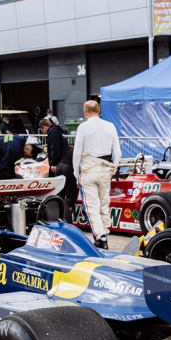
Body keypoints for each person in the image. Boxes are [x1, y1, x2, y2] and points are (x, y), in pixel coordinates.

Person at [72, 100, 121, 249]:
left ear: (85, 112)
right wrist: (114, 169)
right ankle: (104, 232)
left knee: (92, 206)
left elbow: (77, 152)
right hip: (106, 170)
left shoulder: (83, 127)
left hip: (89, 171)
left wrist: (76, 173)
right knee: (104, 204)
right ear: (99, 111)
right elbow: (117, 151)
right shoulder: (110, 126)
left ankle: (101, 238)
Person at [40, 116, 75, 205]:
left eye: (42, 130)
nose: (43, 132)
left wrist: (53, 164)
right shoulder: (60, 131)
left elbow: (54, 149)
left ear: (44, 127)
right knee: (65, 190)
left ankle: (55, 208)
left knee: (57, 190)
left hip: (59, 164)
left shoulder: (53, 133)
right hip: (66, 162)